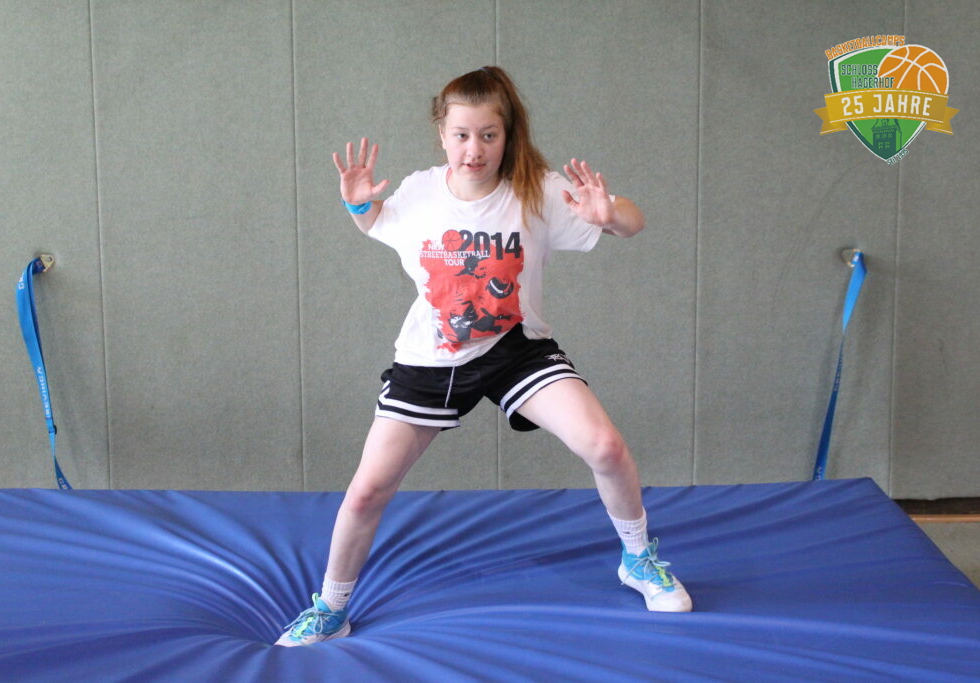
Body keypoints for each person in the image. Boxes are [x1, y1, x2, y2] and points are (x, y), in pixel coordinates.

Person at [276, 66, 691, 647]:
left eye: (489, 135)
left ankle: (638, 559)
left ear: (507, 135)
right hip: (430, 359)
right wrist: (356, 204)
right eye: (462, 135)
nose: (475, 150)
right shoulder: (421, 191)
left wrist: (611, 214)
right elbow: (376, 221)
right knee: (367, 491)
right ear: (442, 135)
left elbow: (633, 224)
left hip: (515, 349)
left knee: (604, 446)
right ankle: (331, 607)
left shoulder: (536, 191)